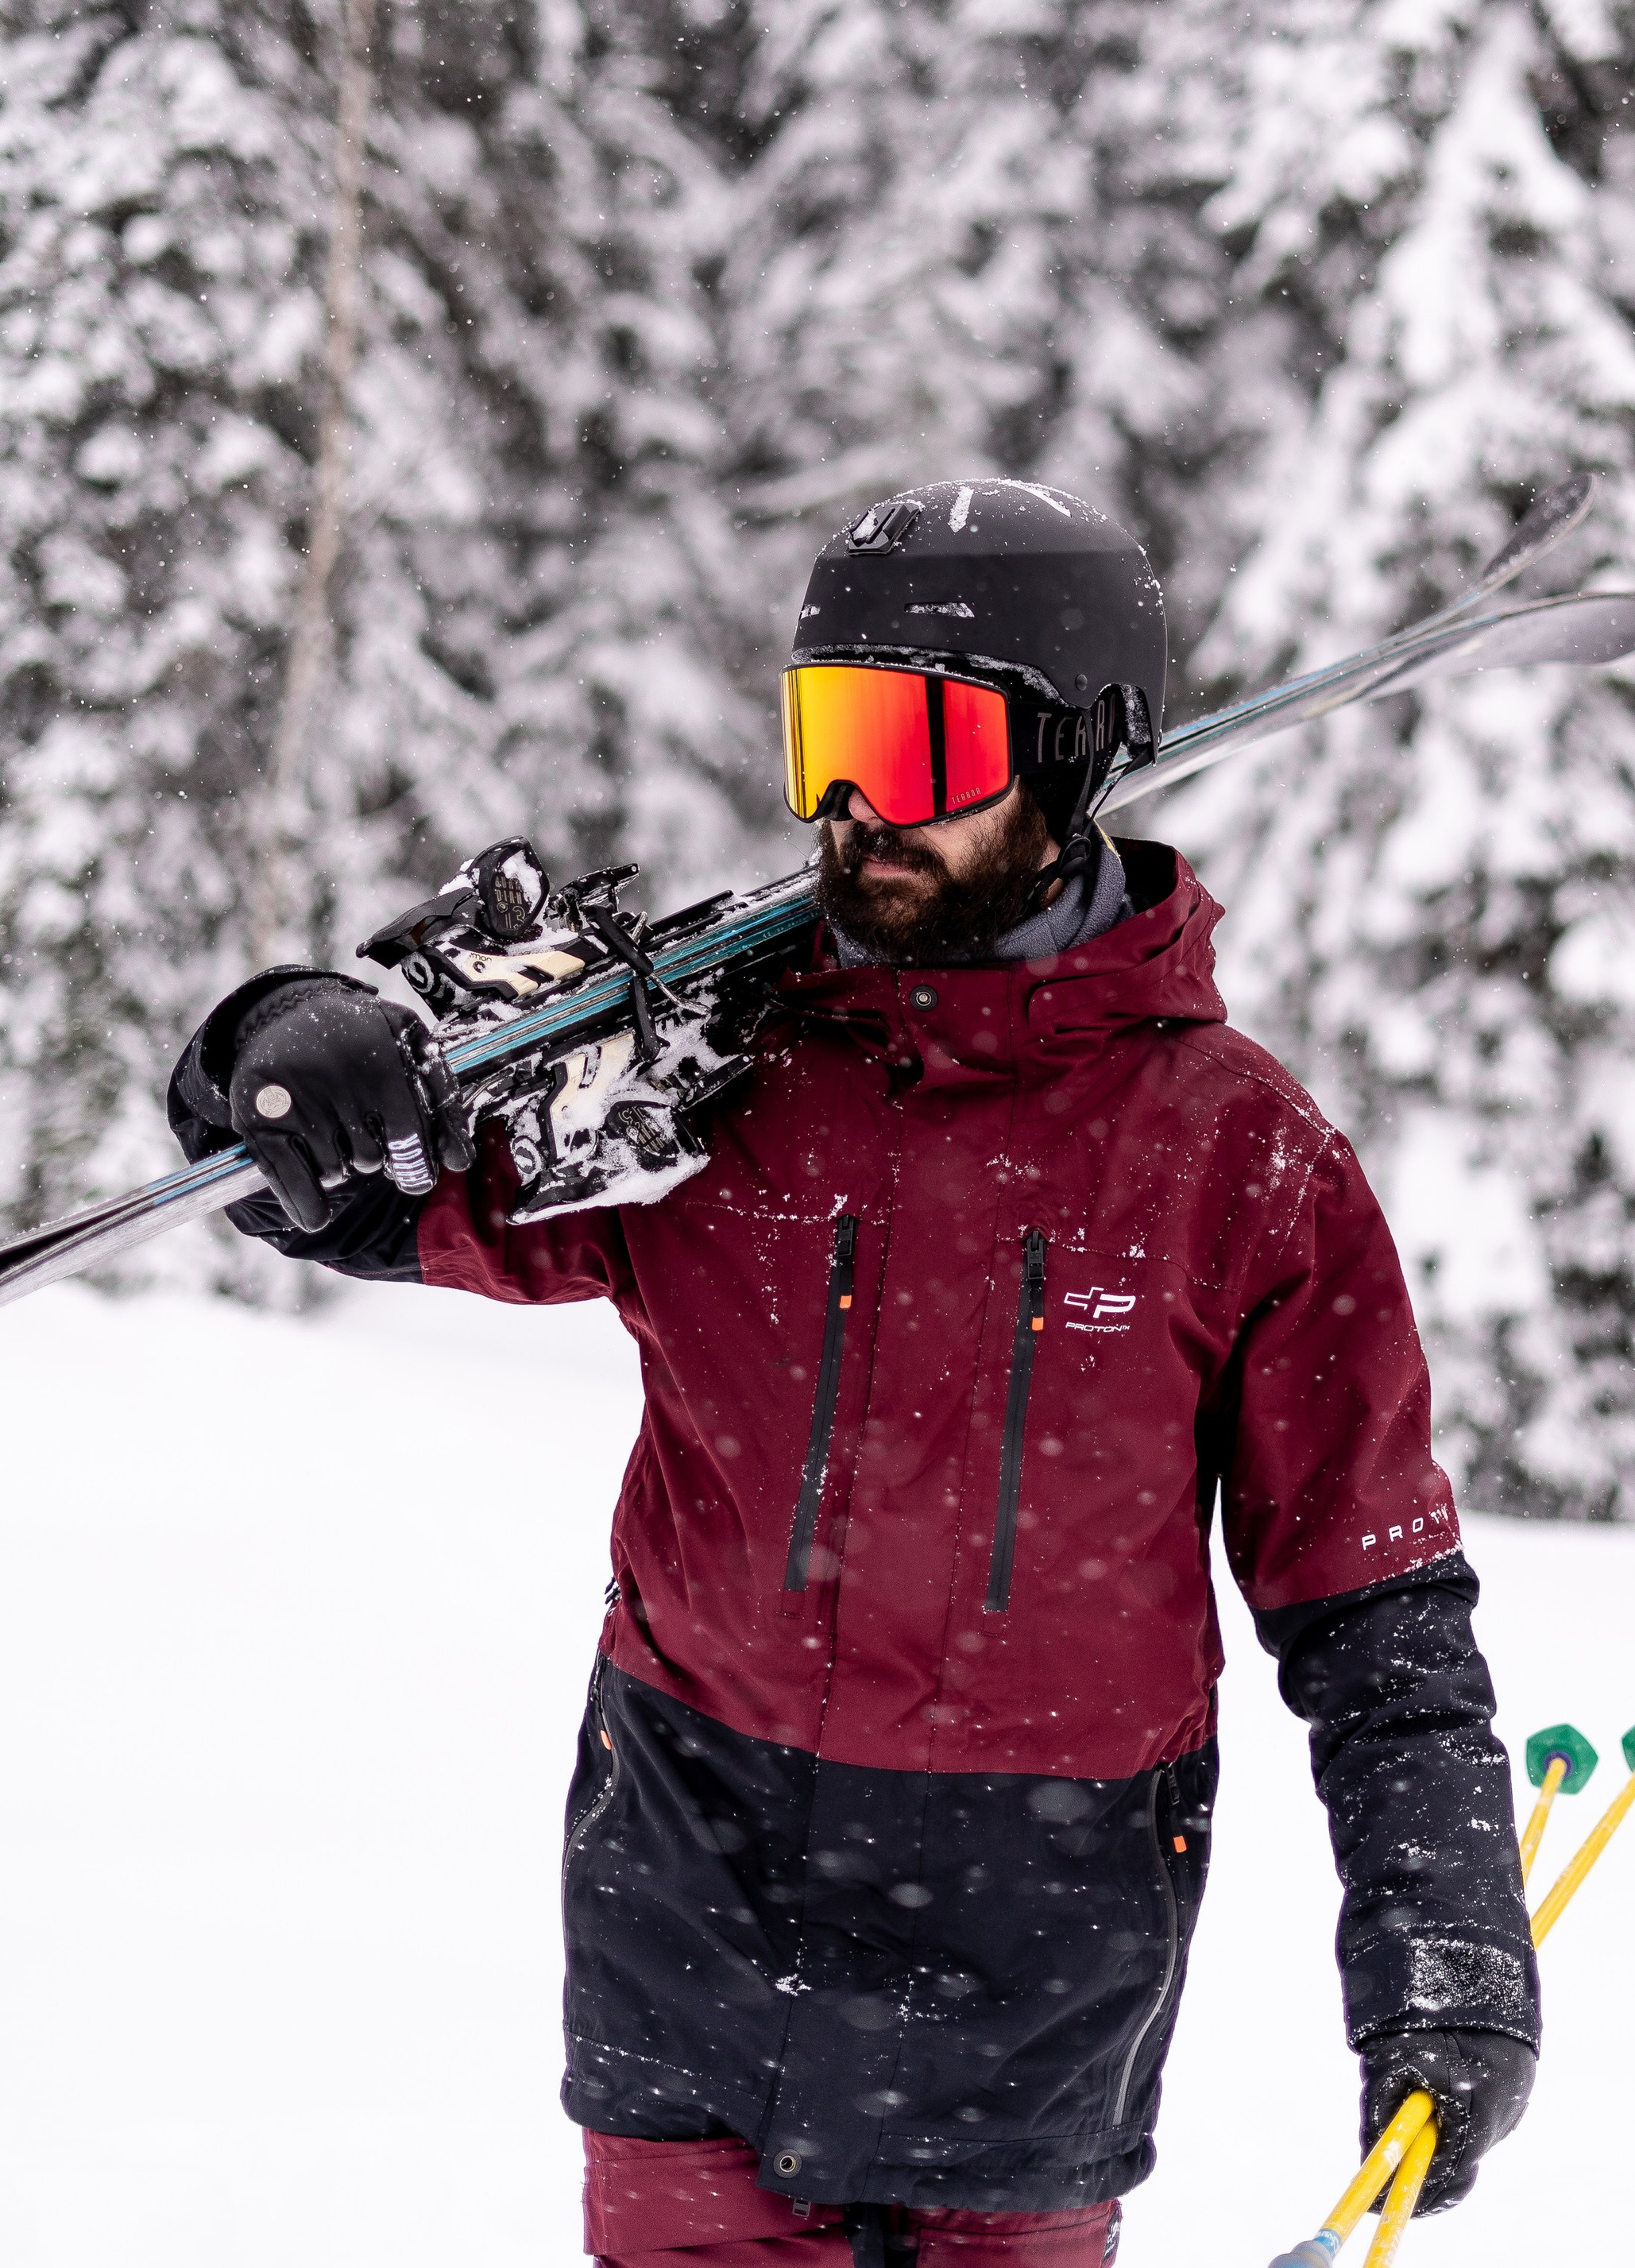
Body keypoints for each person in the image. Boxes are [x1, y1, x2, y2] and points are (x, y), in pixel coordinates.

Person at [168, 480, 1538, 2268]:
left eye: (917, 746)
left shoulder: (1239, 1160)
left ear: (1071, 755)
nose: (853, 807)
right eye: (828, 737)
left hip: (1036, 1972)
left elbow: (1377, 1616)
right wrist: (278, 1047)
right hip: (692, 1921)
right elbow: (340, 1194)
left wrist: (1445, 1952)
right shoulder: (693, 1084)